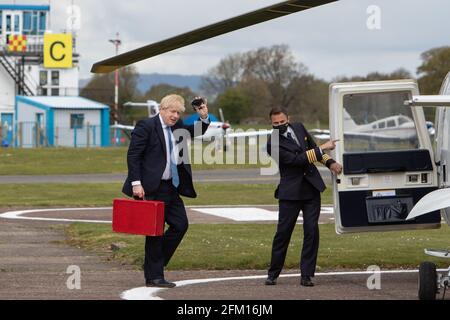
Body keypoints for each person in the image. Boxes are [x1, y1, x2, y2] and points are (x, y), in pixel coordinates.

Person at [122, 94, 210, 288]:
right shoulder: (146, 126)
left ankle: (154, 265)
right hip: (150, 188)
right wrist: (136, 183)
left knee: (180, 225)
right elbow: (134, 156)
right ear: (162, 109)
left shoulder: (178, 127)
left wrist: (203, 116)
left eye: (178, 112)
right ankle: (154, 277)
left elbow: (195, 131)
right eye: (172, 111)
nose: (175, 116)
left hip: (171, 187)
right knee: (155, 233)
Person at [265, 107, 342, 287]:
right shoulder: (272, 142)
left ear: (288, 118)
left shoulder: (299, 127)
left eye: (282, 122)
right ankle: (273, 273)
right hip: (290, 192)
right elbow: (296, 160)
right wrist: (323, 147)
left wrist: (330, 162)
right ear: (271, 123)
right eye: (275, 123)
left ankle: (306, 274)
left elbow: (313, 150)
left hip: (311, 189)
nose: (279, 125)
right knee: (283, 233)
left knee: (311, 231)